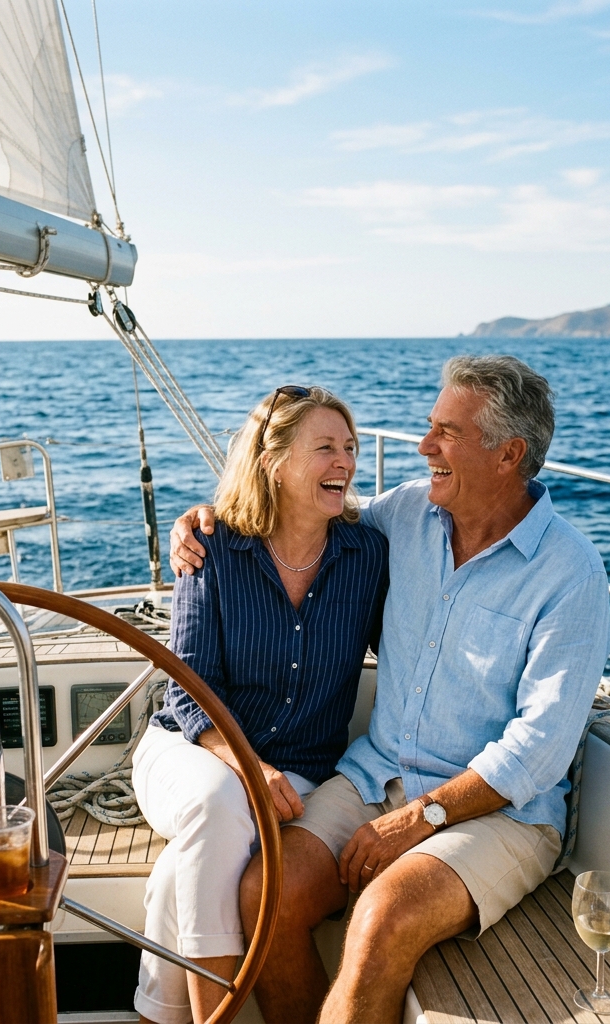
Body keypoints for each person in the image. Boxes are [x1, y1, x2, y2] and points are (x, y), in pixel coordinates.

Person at [169, 355, 610, 1024]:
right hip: (374, 776)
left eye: (446, 433)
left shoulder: (570, 574)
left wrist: (423, 817)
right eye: (429, 427)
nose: (423, 445)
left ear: (508, 454)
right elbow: (299, 514)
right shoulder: (404, 514)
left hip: (498, 814)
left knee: (380, 917)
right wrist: (206, 521)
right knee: (267, 897)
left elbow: (538, 753)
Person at [132, 385, 388, 1024]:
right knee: (218, 802)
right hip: (189, 748)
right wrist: (248, 763)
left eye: (350, 448)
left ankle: (159, 1015)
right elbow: (187, 688)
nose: (346, 463)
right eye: (325, 447)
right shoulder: (213, 546)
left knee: (178, 876)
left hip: (300, 770)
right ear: (273, 461)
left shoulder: (369, 555)